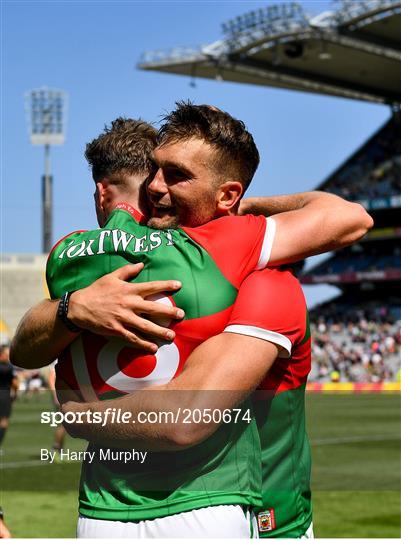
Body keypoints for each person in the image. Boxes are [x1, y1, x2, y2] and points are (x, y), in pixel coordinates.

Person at [11, 104, 373, 537]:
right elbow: (348, 216)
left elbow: (184, 417)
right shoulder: (200, 257)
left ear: (226, 194)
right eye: (154, 173)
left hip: (265, 517)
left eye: (176, 176)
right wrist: (73, 309)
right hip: (188, 505)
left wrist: (78, 415)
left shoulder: (76, 257)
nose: (157, 187)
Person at [0, 345, 18, 447]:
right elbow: (15, 384)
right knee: (4, 421)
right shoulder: (9, 367)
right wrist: (15, 395)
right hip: (4, 396)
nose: (8, 356)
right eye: (6, 354)